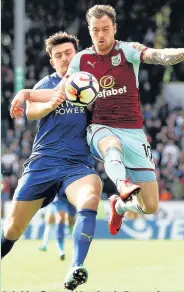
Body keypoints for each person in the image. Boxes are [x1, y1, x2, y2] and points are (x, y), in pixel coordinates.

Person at [10, 5, 184, 236]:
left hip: (133, 132)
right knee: (111, 145)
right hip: (100, 127)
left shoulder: (128, 51)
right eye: (95, 30)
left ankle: (119, 205)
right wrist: (27, 93)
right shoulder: (81, 60)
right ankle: (122, 184)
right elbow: (59, 93)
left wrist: (179, 52)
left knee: (150, 205)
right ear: (89, 31)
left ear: (114, 28)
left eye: (105, 29)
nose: (100, 35)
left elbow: (159, 56)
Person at [2, 31, 102, 291]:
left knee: (91, 195)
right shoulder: (45, 84)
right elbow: (32, 111)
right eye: (58, 55)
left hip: (77, 166)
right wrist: (53, 101)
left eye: (68, 53)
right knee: (11, 230)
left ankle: (76, 267)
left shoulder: (92, 83)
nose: (64, 58)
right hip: (43, 163)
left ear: (77, 54)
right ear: (52, 61)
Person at [38, 194, 76, 261]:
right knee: (49, 223)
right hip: (53, 201)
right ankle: (44, 245)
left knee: (61, 222)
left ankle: (61, 250)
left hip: (63, 201)